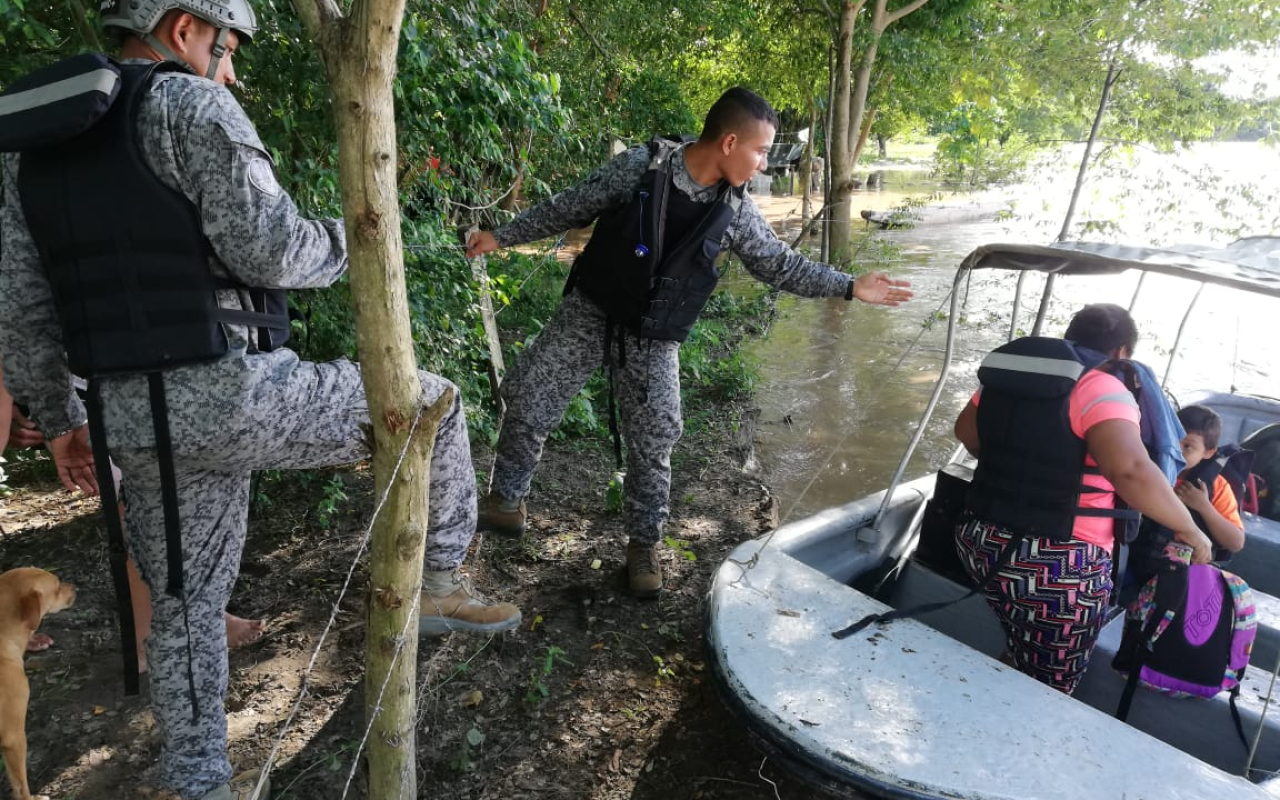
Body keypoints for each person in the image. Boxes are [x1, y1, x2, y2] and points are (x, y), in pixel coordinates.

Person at [0, 3, 519, 799]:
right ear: (183, 30)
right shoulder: (191, 104)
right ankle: (442, 582)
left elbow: (24, 311)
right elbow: (272, 249)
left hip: (129, 422)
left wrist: (65, 419)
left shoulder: (26, 147)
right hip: (235, 397)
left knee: (182, 612)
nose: (231, 69)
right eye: (227, 47)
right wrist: (356, 238)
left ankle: (197, 782)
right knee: (433, 403)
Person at [464, 87, 913, 598]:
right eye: (760, 150)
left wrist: (850, 286)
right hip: (591, 311)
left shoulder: (736, 212)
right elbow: (572, 206)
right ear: (728, 142)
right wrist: (501, 235)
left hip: (654, 336)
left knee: (654, 441)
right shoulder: (640, 167)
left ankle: (643, 548)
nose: (765, 162)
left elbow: (778, 265)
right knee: (527, 400)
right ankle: (505, 503)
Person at [952, 303, 1213, 695]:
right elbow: (1130, 472)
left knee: (1025, 643)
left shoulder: (1011, 375)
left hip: (979, 542)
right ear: (1122, 352)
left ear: (1069, 336)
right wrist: (1190, 528)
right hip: (1059, 567)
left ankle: (992, 694)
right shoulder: (1103, 387)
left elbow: (966, 434)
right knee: (1052, 686)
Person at [1173, 404, 1246, 554]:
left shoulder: (1216, 486)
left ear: (1208, 452)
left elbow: (1236, 543)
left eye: (1188, 446)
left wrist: (1204, 506)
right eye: (1173, 439)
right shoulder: (1149, 469)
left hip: (1184, 567)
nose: (1176, 450)